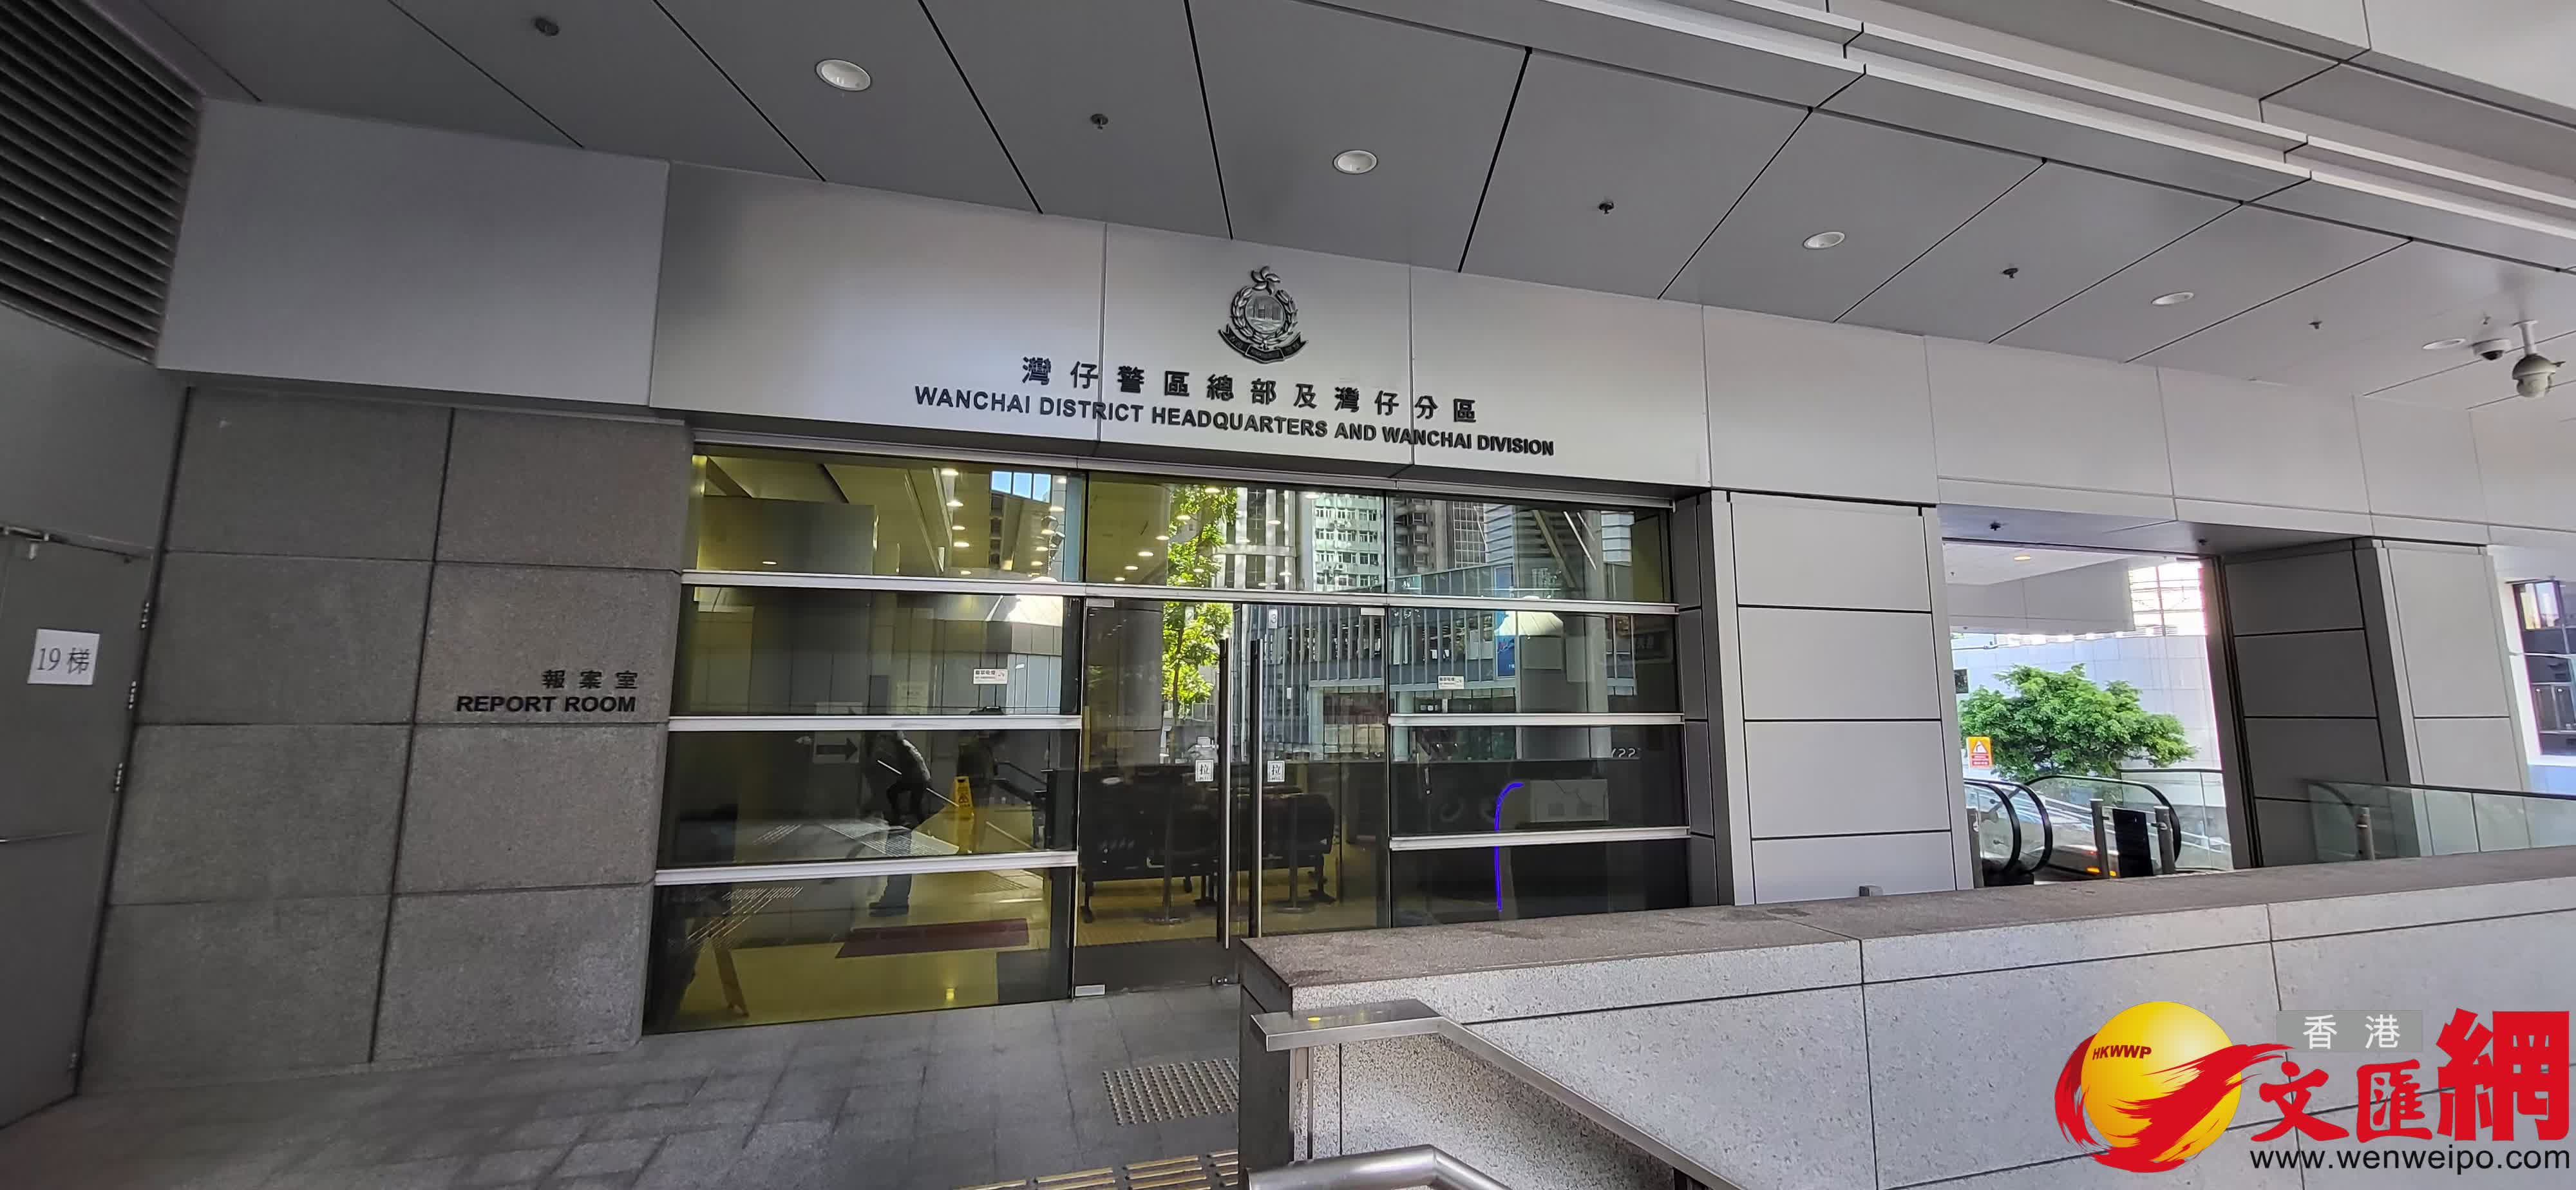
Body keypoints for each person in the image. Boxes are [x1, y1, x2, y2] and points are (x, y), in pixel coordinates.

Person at [865, 732, 939, 917]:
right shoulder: (905, 749)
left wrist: (875, 807)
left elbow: (890, 784)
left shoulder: (893, 753)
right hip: (905, 813)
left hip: (903, 815)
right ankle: (893, 899)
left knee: (898, 857)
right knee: (898, 857)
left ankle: (895, 902)